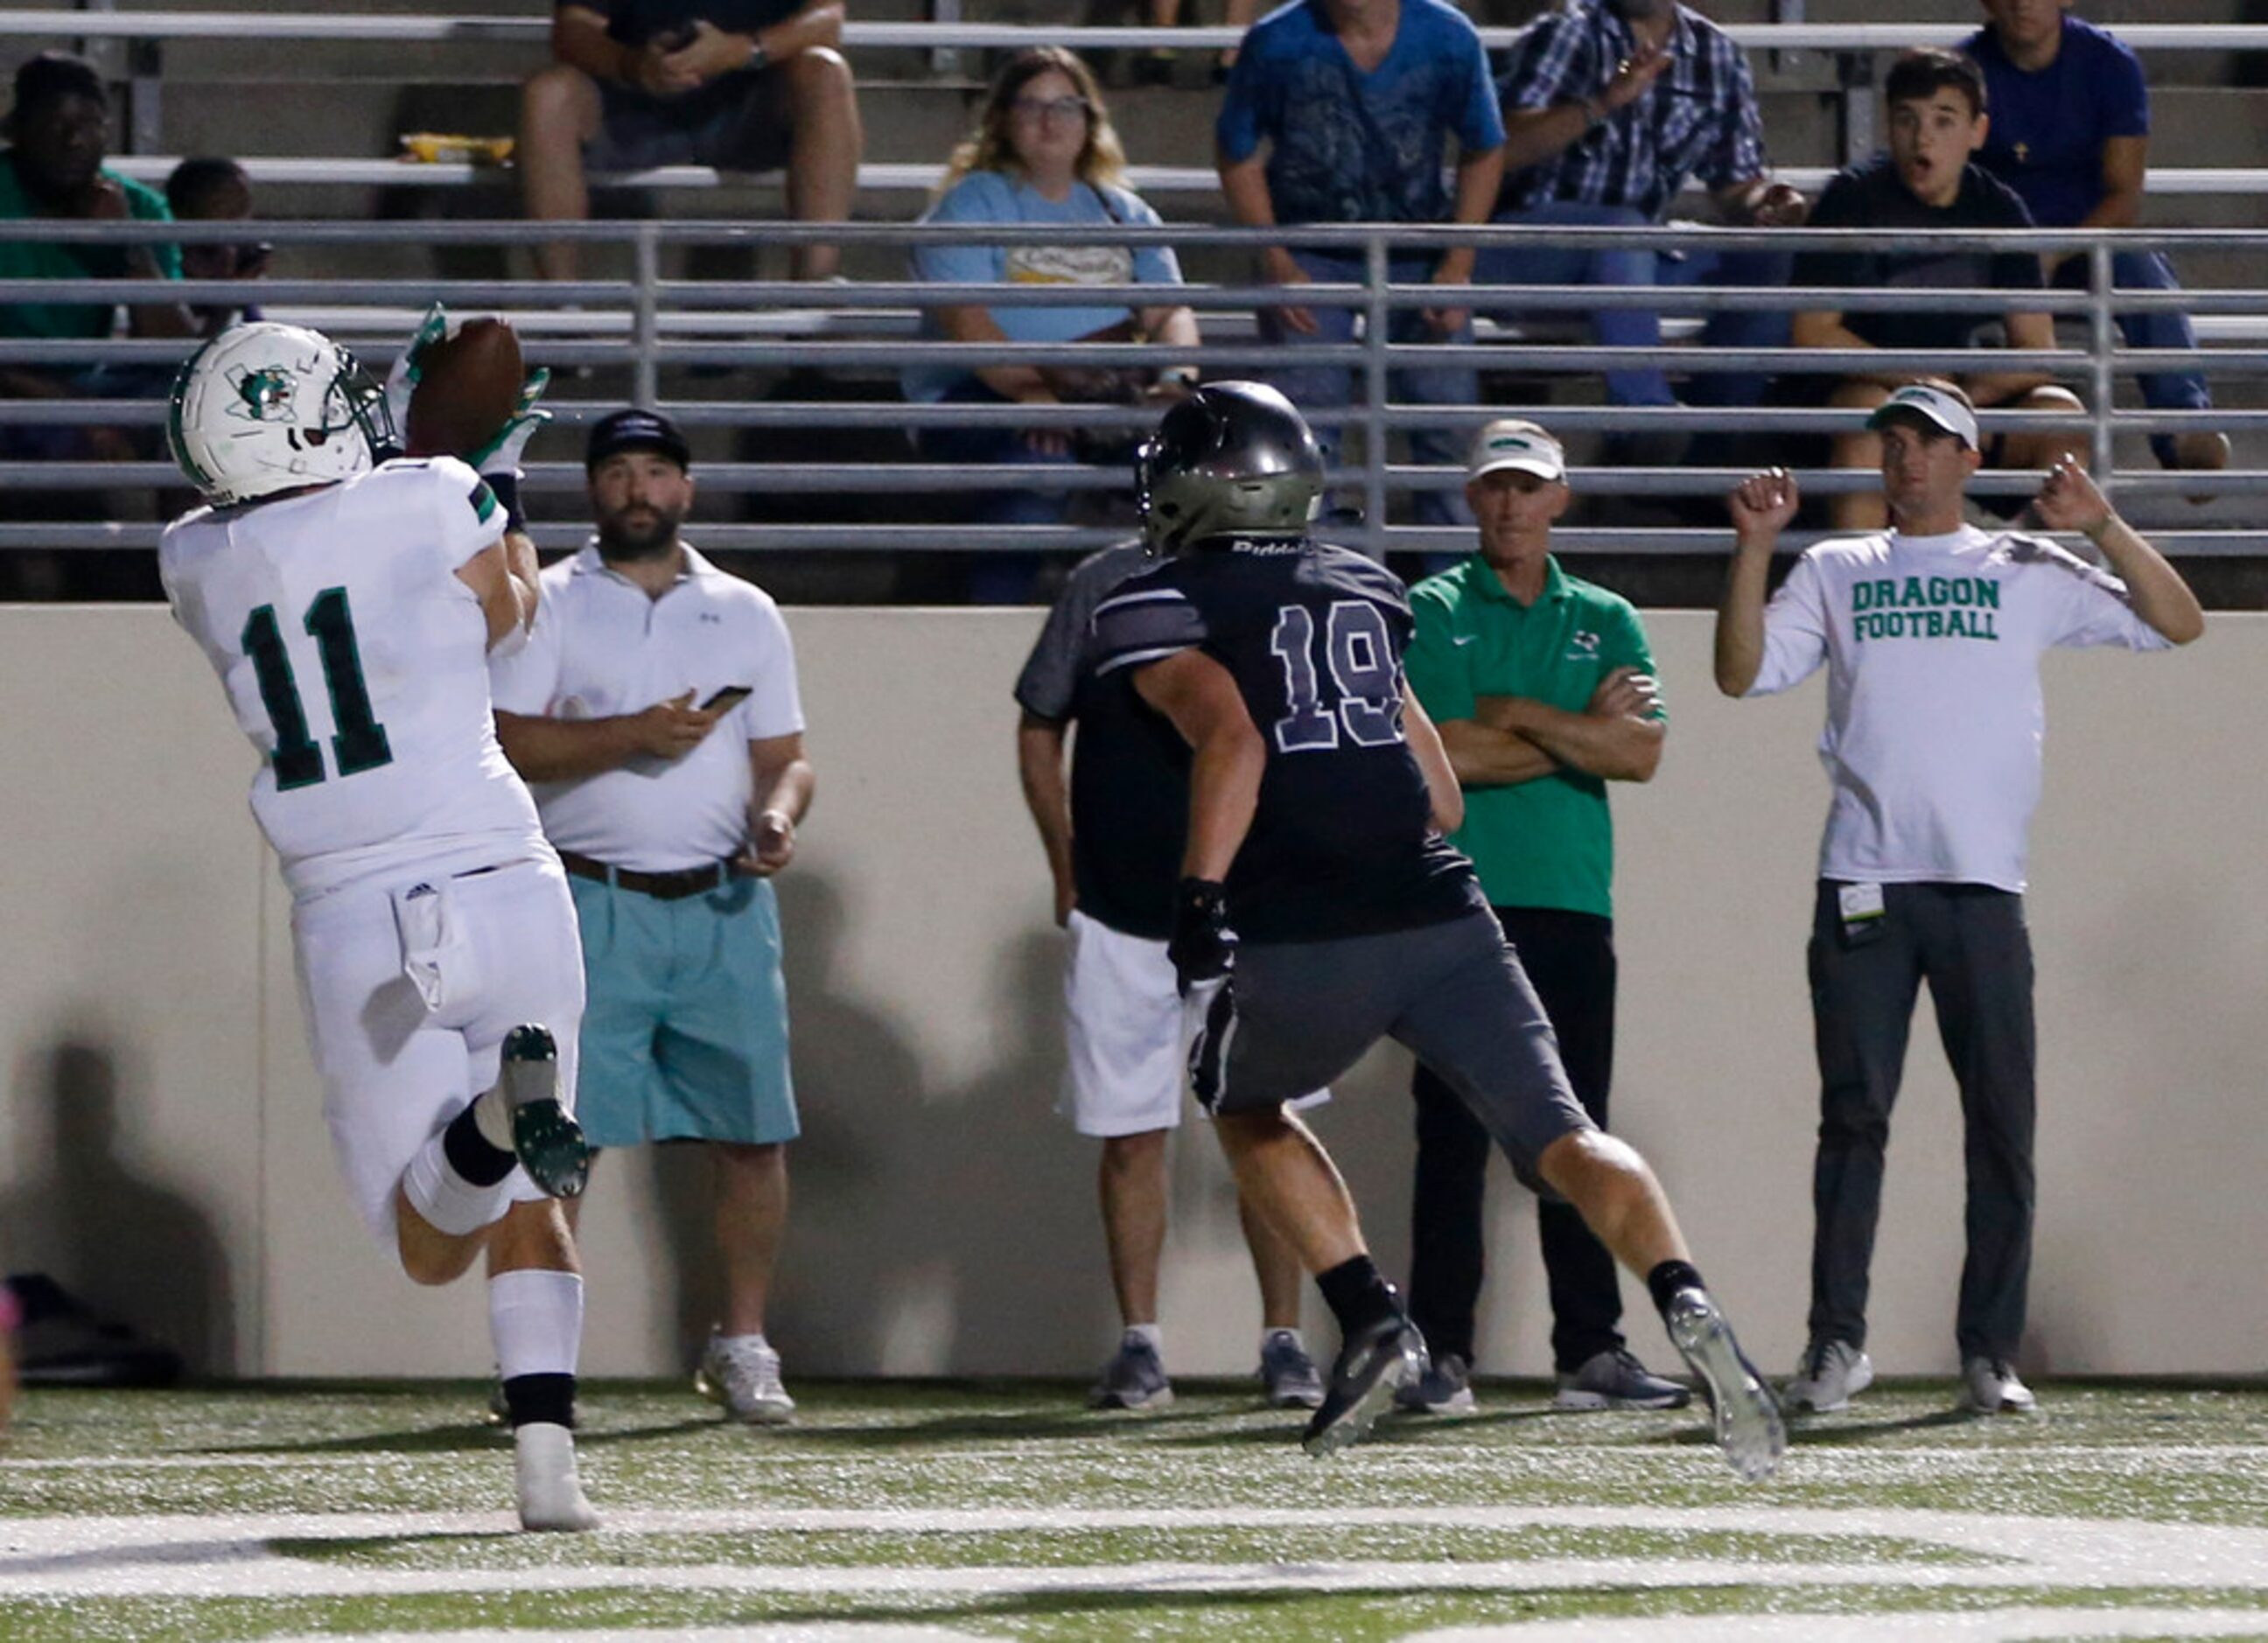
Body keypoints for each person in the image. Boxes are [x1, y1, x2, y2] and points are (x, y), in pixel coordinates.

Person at [1086, 381, 1783, 1479]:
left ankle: (1370, 1314)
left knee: (1241, 1101)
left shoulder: (1149, 599)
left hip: (1306, 921)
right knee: (1567, 1137)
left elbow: (1233, 740)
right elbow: (1442, 797)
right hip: (1448, 906)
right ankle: (1687, 1300)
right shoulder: (1365, 585)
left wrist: (1201, 899)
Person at [158, 320, 600, 1531]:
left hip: (353, 906)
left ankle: (496, 1123)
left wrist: (437, 468)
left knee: (431, 1234)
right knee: (529, 1194)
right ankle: (549, 1464)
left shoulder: (191, 557)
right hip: (503, 869)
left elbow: (335, 543)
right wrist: (486, 476)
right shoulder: (426, 495)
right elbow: (513, 620)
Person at [1715, 379, 2204, 1417]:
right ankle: (1835, 1344)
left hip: (1983, 885)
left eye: (1930, 444)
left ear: (1971, 462)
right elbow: (1740, 674)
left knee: (2000, 1124)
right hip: (1864, 878)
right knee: (1853, 1120)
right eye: (1894, 442)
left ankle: (1990, 1350)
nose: (1907, 460)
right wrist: (1755, 546)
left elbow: (2179, 623)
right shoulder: (1839, 566)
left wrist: (2104, 524)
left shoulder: (2024, 564)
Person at [490, 407, 815, 1426]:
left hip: (721, 903)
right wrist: (633, 734)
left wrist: (774, 815)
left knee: (753, 1135)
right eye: (619, 472)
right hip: (591, 898)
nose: (639, 490)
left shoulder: (747, 610)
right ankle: (543, 1366)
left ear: (688, 488)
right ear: (593, 490)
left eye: (656, 473)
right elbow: (506, 744)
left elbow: (785, 757)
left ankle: (743, 1342)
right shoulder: (549, 603)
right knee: (562, 1140)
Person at [1392, 419, 1686, 1418]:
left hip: (1567, 901)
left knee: (1576, 1130)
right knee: (1452, 1138)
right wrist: (1577, 731)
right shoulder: (1429, 608)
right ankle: (1442, 1351)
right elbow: (1445, 756)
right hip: (1460, 900)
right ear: (1472, 499)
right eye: (1496, 488)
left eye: (1529, 488)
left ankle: (1591, 1349)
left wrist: (1514, 714)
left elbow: (1641, 755)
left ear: (1559, 499)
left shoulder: (1607, 614)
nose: (1512, 504)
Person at [1016, 539, 1324, 1414]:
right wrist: (1063, 862)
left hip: (1251, 900)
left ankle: (1285, 1339)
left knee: (1266, 1123)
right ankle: (1141, 1342)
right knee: (1131, 1127)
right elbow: (1041, 721)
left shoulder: (1286, 580)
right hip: (1123, 898)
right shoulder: (1102, 581)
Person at [905, 46, 1199, 570]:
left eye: (1065, 105)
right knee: (1037, 473)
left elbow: (1168, 312)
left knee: (1193, 478)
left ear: (1089, 119)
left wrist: (1176, 380)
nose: (1049, 120)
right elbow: (969, 324)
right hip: (981, 393)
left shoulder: (1123, 210)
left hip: (1100, 392)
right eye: (1031, 105)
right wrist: (1033, 393)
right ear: (1002, 120)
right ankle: (992, 627)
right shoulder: (972, 202)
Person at [1214, 0, 1505, 528]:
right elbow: (1235, 152)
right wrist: (1277, 258)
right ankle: (1309, 580)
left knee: (1446, 421)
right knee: (1303, 423)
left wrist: (1458, 263)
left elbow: (1486, 146)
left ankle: (1453, 585)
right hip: (1309, 247)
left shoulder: (1447, 36)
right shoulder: (1277, 40)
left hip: (1421, 249)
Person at [1792, 48, 2085, 533]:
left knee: (2062, 418)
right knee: (1865, 420)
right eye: (1907, 120)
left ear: (1978, 131)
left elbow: (2038, 351)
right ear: (1890, 127)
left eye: (1944, 121)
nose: (1922, 137)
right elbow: (1812, 333)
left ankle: (2031, 585)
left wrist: (1964, 397)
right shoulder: (1852, 199)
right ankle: (1858, 592)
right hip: (1869, 389)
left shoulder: (2000, 209)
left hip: (1968, 396)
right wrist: (1917, 385)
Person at [1481, 0, 1808, 435]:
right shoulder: (1568, 33)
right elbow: (1501, 152)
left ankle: (1712, 437)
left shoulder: (1716, 54)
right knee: (1622, 231)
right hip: (1526, 248)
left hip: (1632, 257)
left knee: (1768, 259)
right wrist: (1601, 102)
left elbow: (1736, 185)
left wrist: (1767, 202)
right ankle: (1647, 424)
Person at [1962, 0, 2228, 473]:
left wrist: (2057, 249)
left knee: (2139, 261)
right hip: (1994, 250)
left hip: (2085, 246)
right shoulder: (1965, 71)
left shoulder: (2109, 65)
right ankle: (1943, 415)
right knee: (1937, 262)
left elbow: (2124, 198)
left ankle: (2183, 427)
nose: (2023, 3)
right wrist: (2017, 255)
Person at [519, 0, 863, 283]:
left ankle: (815, 289)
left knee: (826, 72)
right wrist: (633, 64)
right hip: (628, 103)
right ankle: (562, 302)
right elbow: (573, 28)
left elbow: (827, 19)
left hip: (750, 105)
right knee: (548, 93)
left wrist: (744, 50)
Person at [164, 156, 268, 339]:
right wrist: (228, 296)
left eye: (244, 208)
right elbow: (190, 353)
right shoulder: (169, 262)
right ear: (186, 213)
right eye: (228, 209)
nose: (241, 221)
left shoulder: (236, 255)